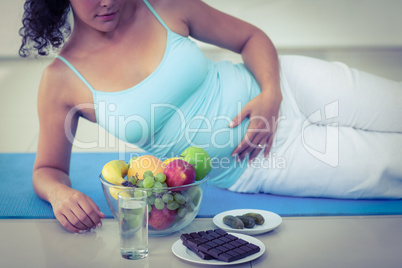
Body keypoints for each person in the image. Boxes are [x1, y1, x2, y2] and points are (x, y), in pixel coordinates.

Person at [19, 0, 402, 233]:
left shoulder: (163, 5)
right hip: (260, 162)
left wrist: (271, 93)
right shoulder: (61, 81)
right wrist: (59, 193)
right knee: (391, 166)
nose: (107, 2)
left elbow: (250, 38)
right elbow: (47, 169)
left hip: (292, 85)